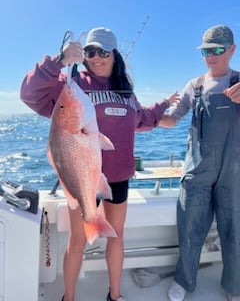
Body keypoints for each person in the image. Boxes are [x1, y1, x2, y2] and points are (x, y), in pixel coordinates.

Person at [20, 27, 179, 301]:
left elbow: (141, 118)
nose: (95, 58)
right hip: (80, 176)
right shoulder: (71, 85)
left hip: (117, 177)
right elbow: (29, 93)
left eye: (102, 52)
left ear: (114, 54)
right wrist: (59, 60)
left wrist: (164, 105)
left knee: (116, 237)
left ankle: (114, 296)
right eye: (90, 52)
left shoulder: (125, 92)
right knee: (78, 240)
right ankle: (68, 297)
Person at [159, 24, 240, 301]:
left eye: (217, 49)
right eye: (206, 50)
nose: (211, 55)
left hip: (234, 172)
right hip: (198, 171)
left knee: (235, 231)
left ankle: (234, 287)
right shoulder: (194, 86)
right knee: (190, 227)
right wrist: (141, 118)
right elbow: (172, 119)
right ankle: (184, 281)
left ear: (232, 49)